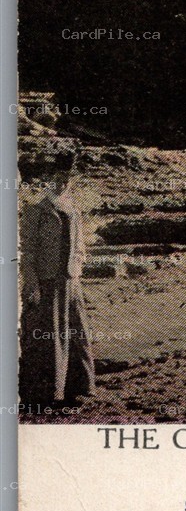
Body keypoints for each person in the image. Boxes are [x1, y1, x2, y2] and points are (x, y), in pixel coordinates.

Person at [19, 150, 96, 407]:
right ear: (48, 181)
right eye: (57, 180)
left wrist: (77, 268)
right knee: (50, 335)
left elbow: (80, 244)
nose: (62, 184)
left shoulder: (72, 208)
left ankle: (79, 388)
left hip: (70, 281)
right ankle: (50, 393)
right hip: (47, 282)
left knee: (77, 332)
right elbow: (27, 251)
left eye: (66, 180)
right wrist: (32, 284)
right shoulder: (36, 210)